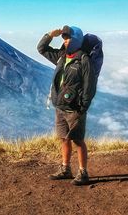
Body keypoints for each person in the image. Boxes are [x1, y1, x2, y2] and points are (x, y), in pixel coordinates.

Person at [37, 25, 96, 185]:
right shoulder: (61, 56)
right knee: (64, 139)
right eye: (63, 38)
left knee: (77, 141)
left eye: (67, 38)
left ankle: (83, 173)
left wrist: (82, 107)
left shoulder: (84, 60)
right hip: (60, 106)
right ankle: (66, 169)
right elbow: (41, 49)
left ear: (76, 39)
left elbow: (89, 86)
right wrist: (50, 35)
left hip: (75, 109)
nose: (64, 41)